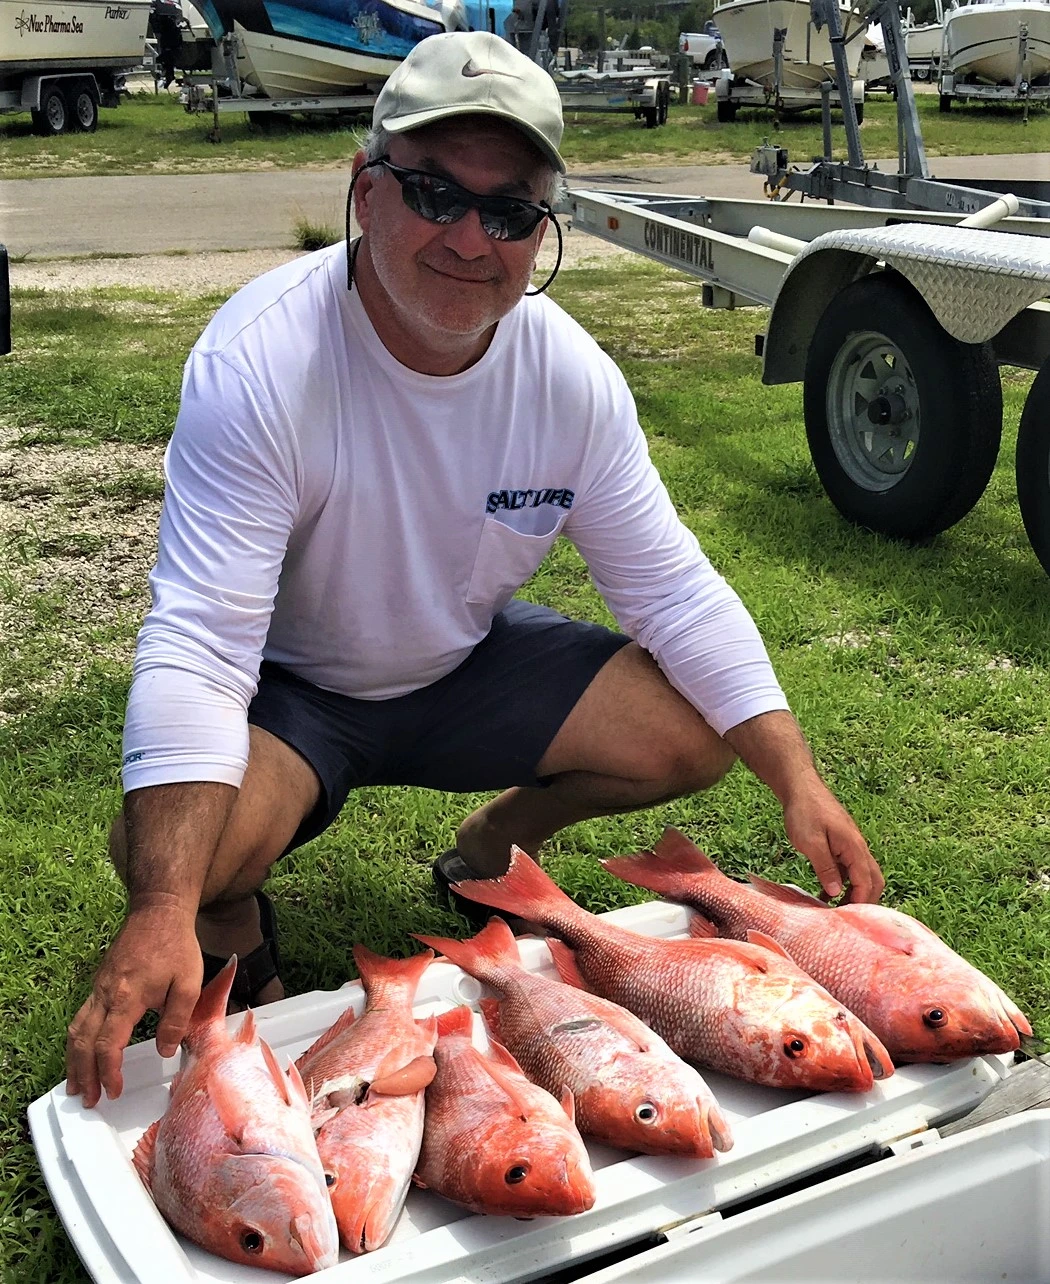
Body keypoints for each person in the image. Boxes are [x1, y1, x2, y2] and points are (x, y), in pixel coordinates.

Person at [65, 29, 884, 1109]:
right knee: (165, 854)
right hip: (297, 692)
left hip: (464, 665)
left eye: (507, 213)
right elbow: (203, 641)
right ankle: (225, 925)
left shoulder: (571, 380)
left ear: (541, 231)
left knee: (693, 730)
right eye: (432, 191)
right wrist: (161, 908)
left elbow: (673, 588)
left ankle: (495, 844)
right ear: (364, 190)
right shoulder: (259, 361)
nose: (467, 237)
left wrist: (797, 777)